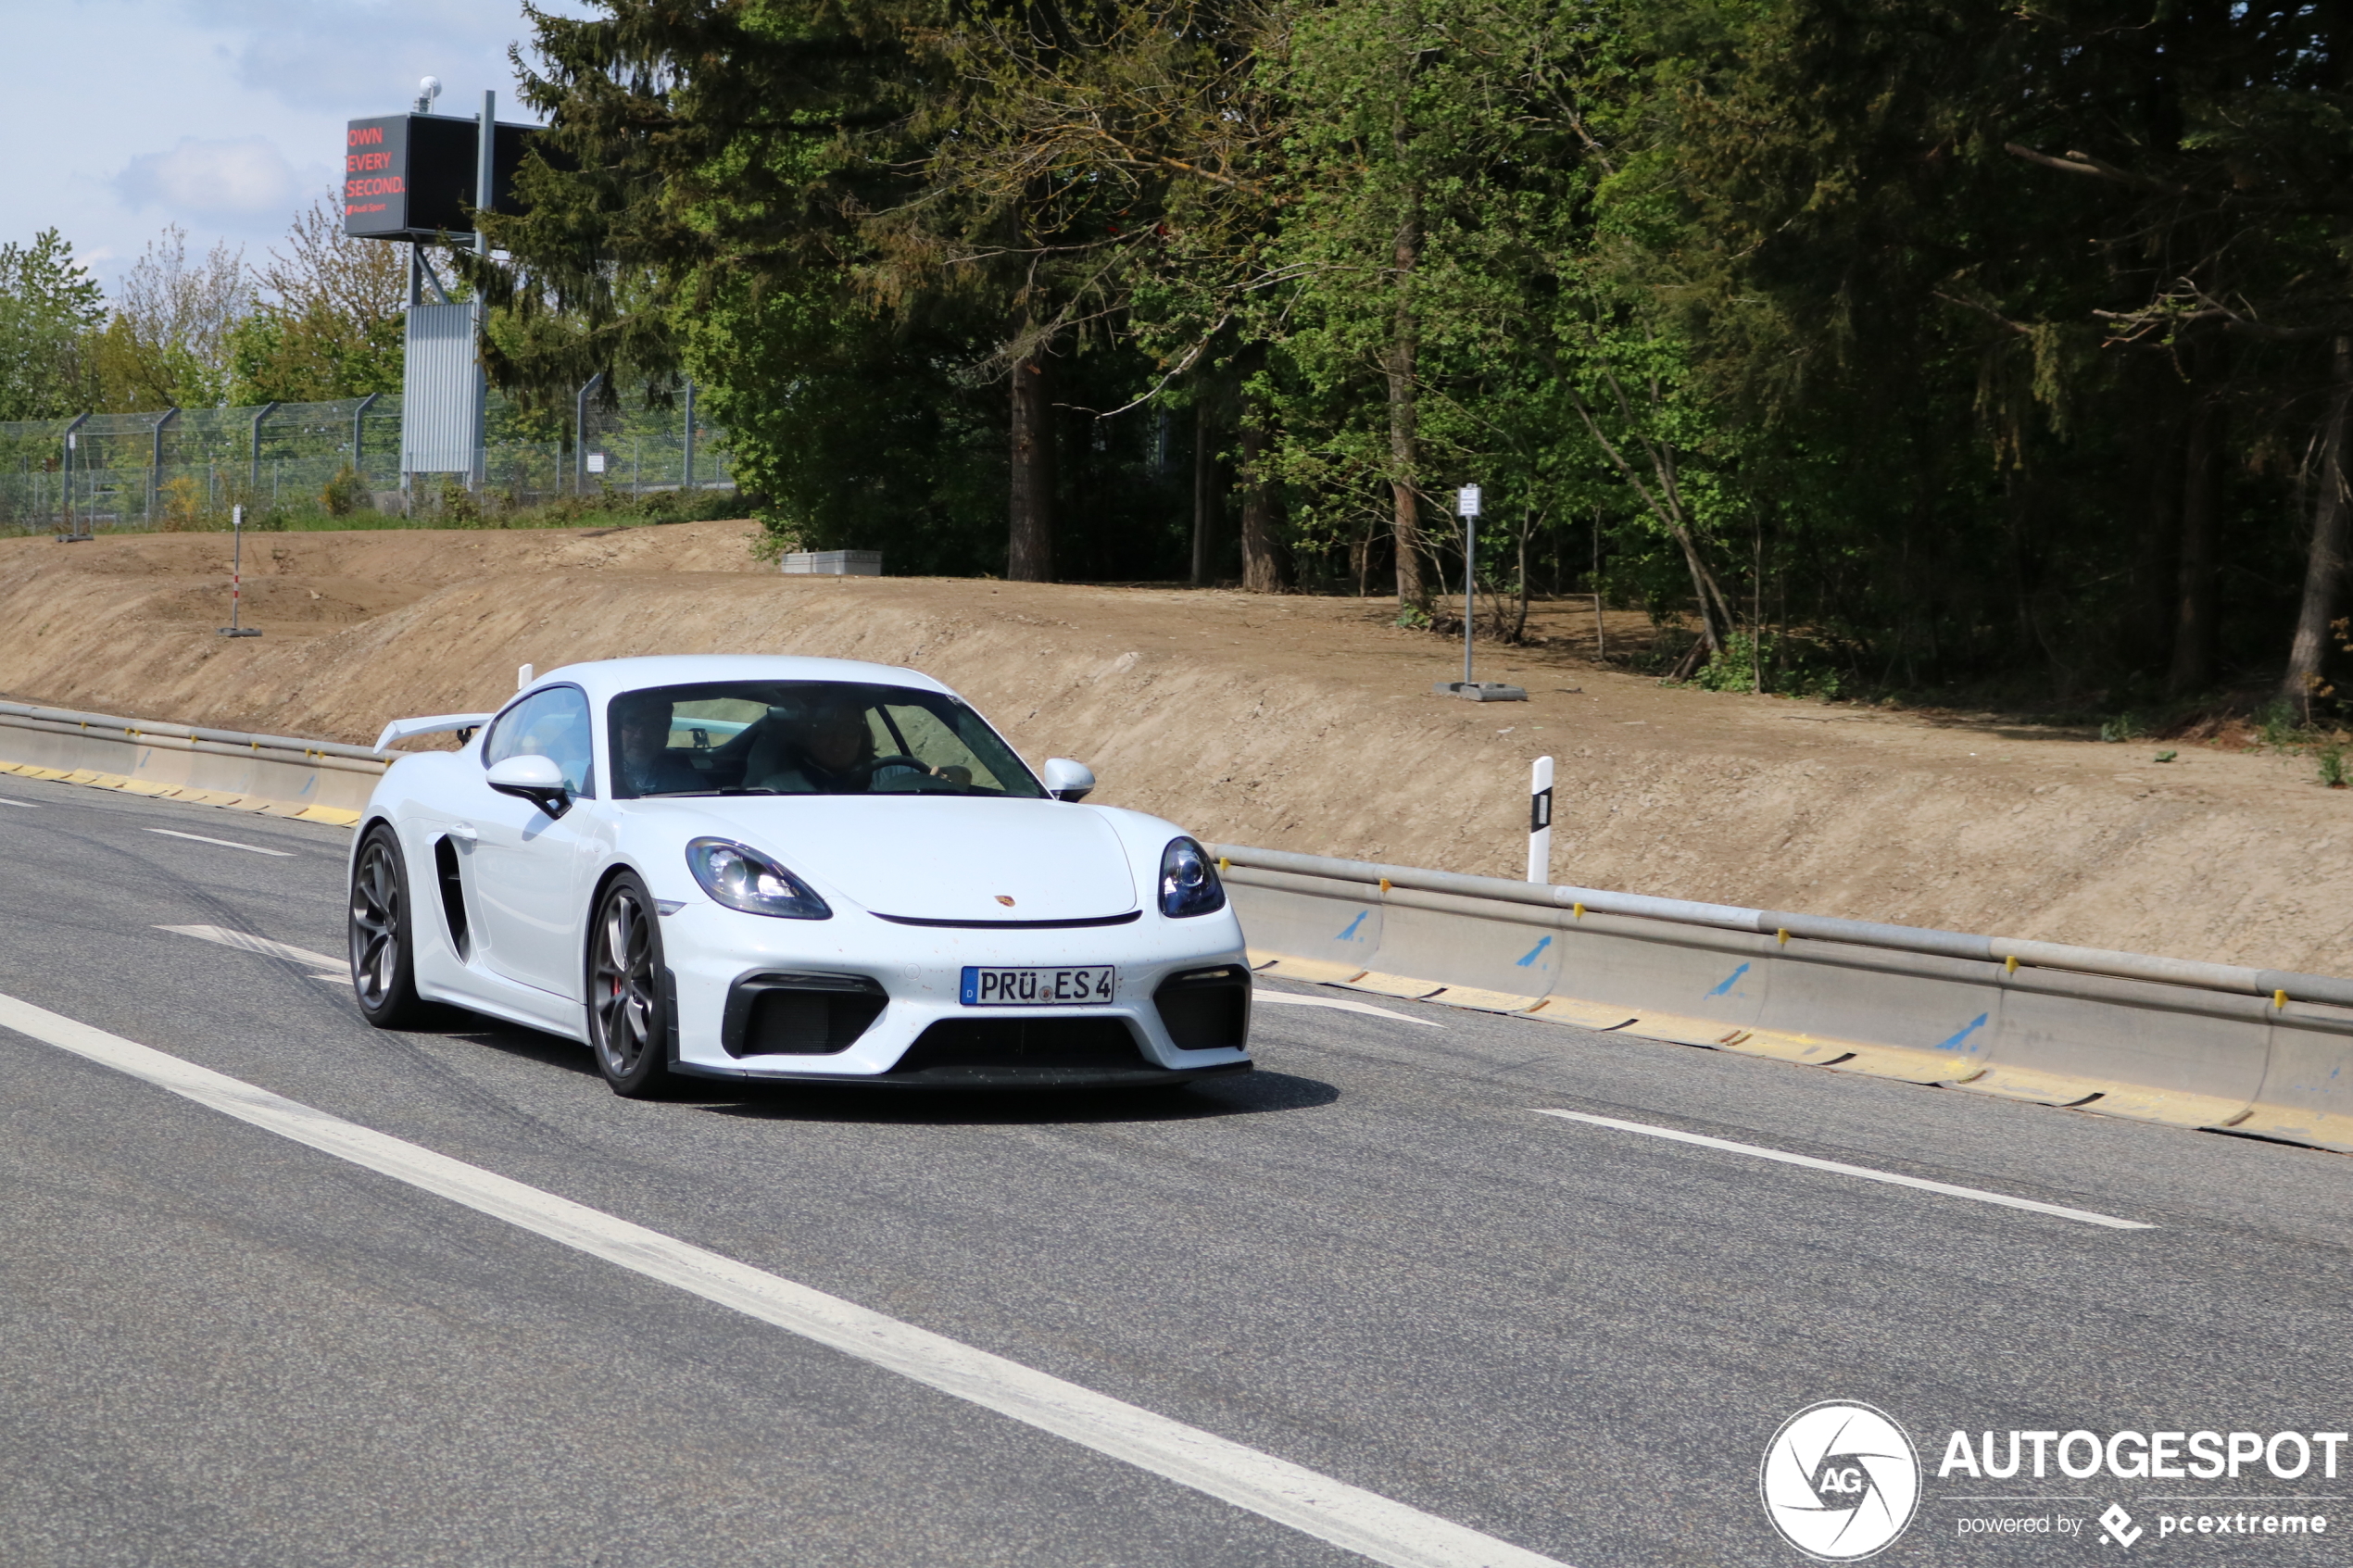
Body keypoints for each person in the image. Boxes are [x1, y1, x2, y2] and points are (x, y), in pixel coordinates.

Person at [612, 692, 705, 796]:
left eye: (653, 725)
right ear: (616, 730)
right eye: (632, 723)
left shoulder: (688, 782)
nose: (640, 735)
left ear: (665, 735)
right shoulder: (597, 775)